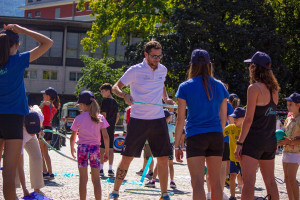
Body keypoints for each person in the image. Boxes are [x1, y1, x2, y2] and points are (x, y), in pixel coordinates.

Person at [109, 40, 174, 200]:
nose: (157, 60)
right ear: (146, 55)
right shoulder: (135, 70)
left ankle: (164, 194)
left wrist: (166, 98)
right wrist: (125, 95)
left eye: (159, 56)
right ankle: (115, 191)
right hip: (138, 120)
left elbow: (161, 84)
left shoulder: (163, 69)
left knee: (164, 157)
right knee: (127, 157)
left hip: (158, 119)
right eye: (154, 56)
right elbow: (115, 87)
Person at [0, 24, 53, 199]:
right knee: (8, 174)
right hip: (14, 121)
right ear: (15, 45)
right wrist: (22, 29)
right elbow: (47, 43)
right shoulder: (18, 60)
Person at [175, 49, 228, 200]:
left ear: (191, 65)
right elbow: (223, 118)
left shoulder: (185, 86)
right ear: (209, 65)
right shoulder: (220, 86)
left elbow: (180, 120)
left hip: (195, 136)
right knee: (215, 181)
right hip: (216, 135)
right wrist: (219, 134)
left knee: (197, 182)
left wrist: (177, 144)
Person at [235, 51, 280, 200]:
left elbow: (248, 119)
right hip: (269, 140)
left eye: (250, 65)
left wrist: (239, 142)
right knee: (271, 182)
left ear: (255, 67)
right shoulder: (274, 91)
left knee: (248, 183)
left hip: (254, 141)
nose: (248, 68)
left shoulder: (254, 88)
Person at [70, 91, 110, 200]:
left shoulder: (78, 118)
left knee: (83, 179)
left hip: (82, 149)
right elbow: (106, 136)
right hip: (95, 150)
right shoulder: (100, 117)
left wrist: (71, 147)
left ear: (83, 104)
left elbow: (73, 136)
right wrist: (106, 151)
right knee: (96, 179)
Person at [16, 105, 45, 197]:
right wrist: (25, 189)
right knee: (15, 162)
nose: (33, 133)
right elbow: (20, 165)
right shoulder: (20, 130)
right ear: (24, 125)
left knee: (37, 158)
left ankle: (37, 188)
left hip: (30, 137)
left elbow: (36, 106)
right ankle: (13, 187)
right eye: (31, 130)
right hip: (20, 137)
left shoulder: (39, 116)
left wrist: (40, 130)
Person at [145, 110, 177, 189]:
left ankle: (153, 180)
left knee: (158, 164)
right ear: (168, 118)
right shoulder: (171, 127)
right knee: (170, 164)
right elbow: (179, 132)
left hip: (160, 145)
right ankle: (172, 181)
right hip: (169, 145)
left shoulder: (157, 127)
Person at [277, 92, 300, 200]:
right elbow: (284, 133)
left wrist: (289, 142)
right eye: (287, 104)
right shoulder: (288, 119)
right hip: (285, 151)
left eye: (290, 104)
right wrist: (278, 139)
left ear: (298, 105)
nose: (288, 106)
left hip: (296, 153)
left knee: (291, 178)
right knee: (287, 178)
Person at [224, 107, 246, 200]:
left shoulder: (247, 129)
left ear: (244, 118)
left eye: (237, 118)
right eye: (234, 118)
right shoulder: (230, 128)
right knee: (232, 176)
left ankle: (245, 195)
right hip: (233, 158)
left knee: (245, 179)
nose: (234, 120)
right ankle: (232, 196)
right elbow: (220, 134)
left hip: (244, 159)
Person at [39, 87, 60, 180]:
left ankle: (45, 172)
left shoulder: (44, 105)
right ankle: (50, 173)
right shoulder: (55, 106)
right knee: (45, 152)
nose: (43, 96)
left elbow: (38, 113)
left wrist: (42, 105)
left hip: (42, 129)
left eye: (44, 94)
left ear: (48, 96)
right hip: (49, 129)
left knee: (40, 153)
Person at [99, 83, 120, 176]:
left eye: (103, 91)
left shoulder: (105, 101)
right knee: (111, 149)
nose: (102, 93)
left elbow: (103, 115)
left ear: (108, 91)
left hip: (104, 127)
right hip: (112, 127)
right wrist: (113, 125)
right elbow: (118, 116)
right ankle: (110, 169)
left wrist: (101, 126)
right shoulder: (115, 102)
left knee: (102, 148)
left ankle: (101, 169)